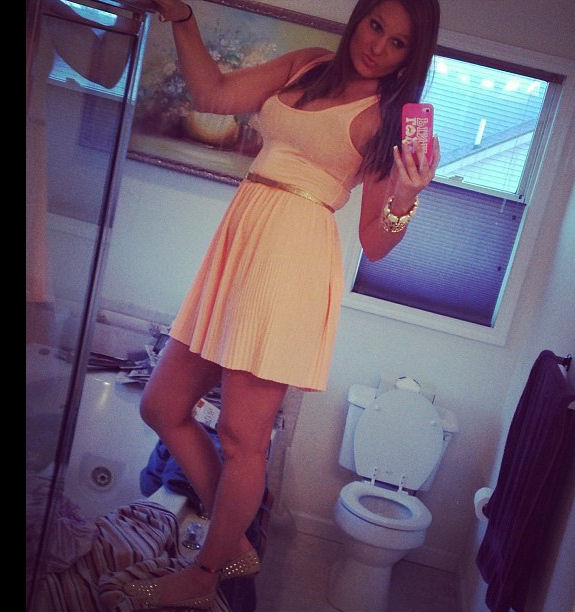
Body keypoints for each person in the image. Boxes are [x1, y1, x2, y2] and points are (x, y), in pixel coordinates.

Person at [121, 0, 440, 608]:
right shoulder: (307, 65)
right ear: (360, 18)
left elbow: (375, 243)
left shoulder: (387, 120)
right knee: (161, 405)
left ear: (410, 57)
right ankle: (235, 539)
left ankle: (203, 576)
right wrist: (181, 16)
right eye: (375, 25)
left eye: (398, 42)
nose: (377, 47)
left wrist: (405, 196)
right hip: (240, 246)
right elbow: (213, 94)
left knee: (242, 436)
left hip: (292, 262)